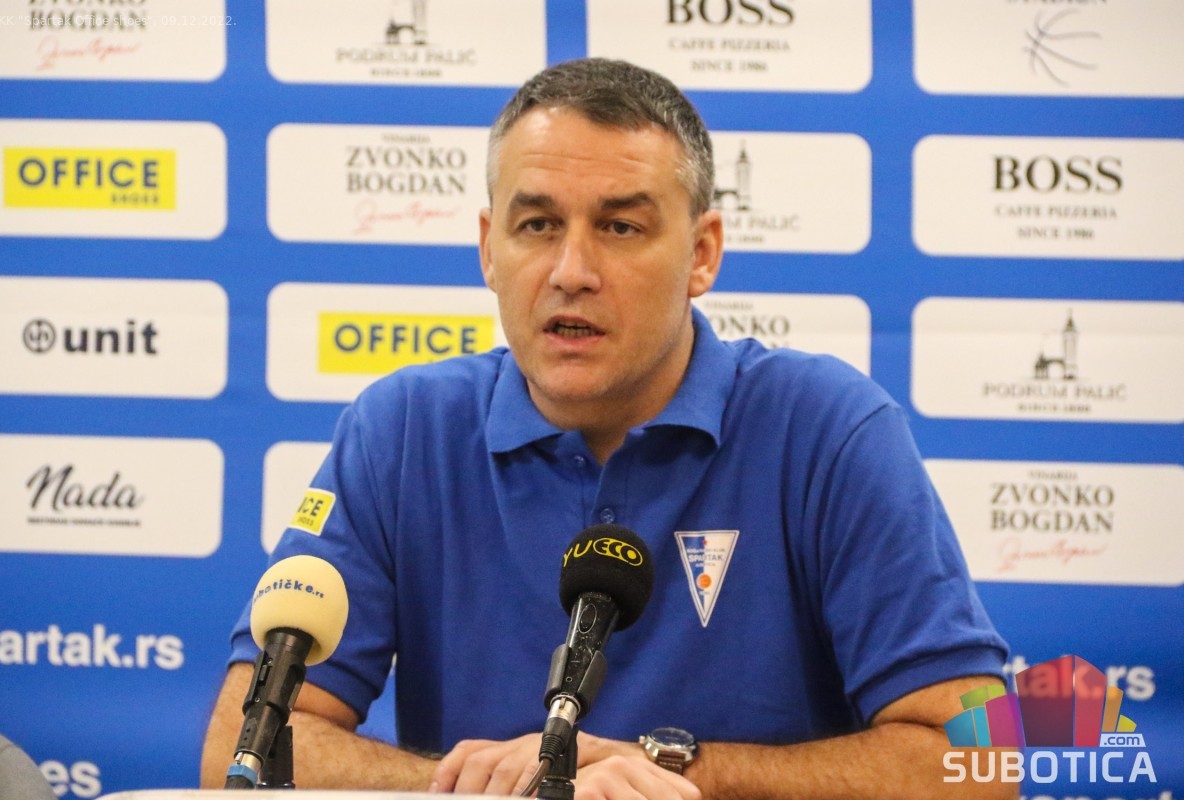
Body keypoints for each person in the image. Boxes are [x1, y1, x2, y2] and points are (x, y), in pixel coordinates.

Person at [201, 58, 1013, 799]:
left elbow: (983, 758)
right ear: (489, 249)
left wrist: (677, 770)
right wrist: (488, 789)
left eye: (620, 227)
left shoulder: (828, 428)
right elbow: (242, 751)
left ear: (702, 253)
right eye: (537, 226)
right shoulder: (402, 431)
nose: (571, 272)